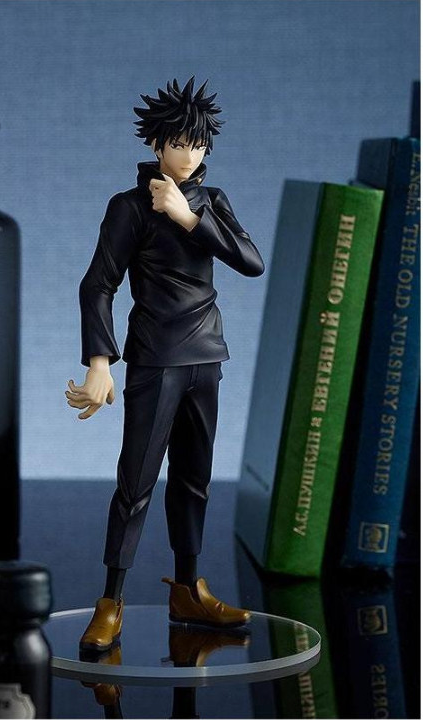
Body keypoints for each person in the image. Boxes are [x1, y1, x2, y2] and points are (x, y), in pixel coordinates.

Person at [66, 78, 264, 652]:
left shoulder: (211, 201)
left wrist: (189, 217)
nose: (190, 154)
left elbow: (252, 262)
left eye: (198, 144)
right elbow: (98, 284)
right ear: (156, 145)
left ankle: (188, 589)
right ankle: (111, 600)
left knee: (194, 480)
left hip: (208, 356)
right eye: (179, 143)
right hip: (155, 357)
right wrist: (100, 361)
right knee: (136, 482)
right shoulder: (129, 207)